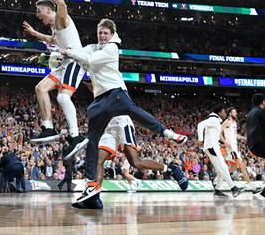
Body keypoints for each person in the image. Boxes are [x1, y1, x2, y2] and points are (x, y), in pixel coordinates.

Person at [60, 18, 187, 208]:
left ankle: (171, 165)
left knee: (135, 162)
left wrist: (68, 53)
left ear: (111, 35)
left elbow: (86, 58)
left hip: (120, 117)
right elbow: (81, 53)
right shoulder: (94, 52)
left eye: (105, 33)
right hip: (105, 116)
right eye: (100, 32)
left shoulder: (110, 50)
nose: (102, 36)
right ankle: (93, 195)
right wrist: (59, 52)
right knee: (99, 159)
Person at [23, 0, 87, 155]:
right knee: (40, 88)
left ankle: (76, 137)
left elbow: (62, 3)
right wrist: (35, 34)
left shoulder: (60, 18)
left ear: (48, 10)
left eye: (39, 11)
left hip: (76, 60)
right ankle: (48, 128)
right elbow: (54, 40)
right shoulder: (54, 26)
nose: (37, 14)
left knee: (62, 97)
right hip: (65, 63)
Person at [198, 105, 243, 198]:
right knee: (224, 168)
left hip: (213, 146)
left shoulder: (216, 121)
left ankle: (218, 190)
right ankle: (233, 188)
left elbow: (214, 135)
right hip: (211, 147)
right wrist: (200, 139)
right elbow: (200, 125)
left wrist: (222, 143)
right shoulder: (213, 119)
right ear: (219, 112)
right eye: (224, 112)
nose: (225, 114)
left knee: (221, 169)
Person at [221, 107, 254, 189]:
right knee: (242, 165)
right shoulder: (227, 122)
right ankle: (252, 187)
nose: (236, 114)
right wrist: (225, 142)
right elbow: (218, 132)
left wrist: (245, 138)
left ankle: (217, 179)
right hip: (230, 147)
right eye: (234, 112)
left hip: (235, 147)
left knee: (234, 167)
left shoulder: (234, 123)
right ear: (230, 113)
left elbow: (235, 135)